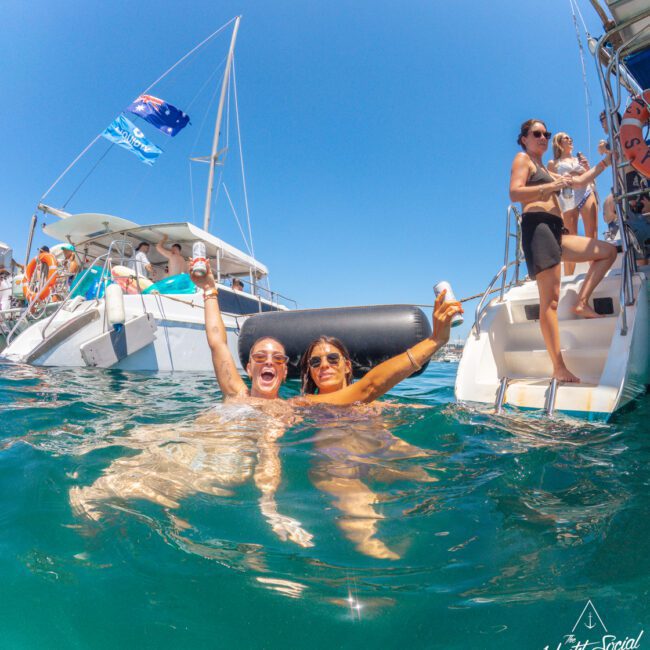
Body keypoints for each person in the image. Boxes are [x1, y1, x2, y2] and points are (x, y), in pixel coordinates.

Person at [190, 263, 462, 405]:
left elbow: (368, 387)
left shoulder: (295, 408)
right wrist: (209, 290)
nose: (269, 362)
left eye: (277, 359)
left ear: (286, 372)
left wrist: (435, 340)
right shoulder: (235, 392)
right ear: (248, 368)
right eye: (260, 357)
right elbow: (217, 342)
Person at [509, 118, 617, 383]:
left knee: (607, 251)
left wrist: (606, 162)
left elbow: (580, 182)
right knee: (551, 302)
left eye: (546, 133)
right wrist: (550, 187)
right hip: (539, 229)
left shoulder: (545, 167)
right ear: (524, 138)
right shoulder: (523, 159)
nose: (543, 137)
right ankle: (558, 367)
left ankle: (581, 302)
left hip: (557, 232)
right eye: (537, 133)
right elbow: (514, 193)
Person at [548, 133, 599, 274]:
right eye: (566, 138)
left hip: (586, 192)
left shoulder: (579, 159)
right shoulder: (553, 163)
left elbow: (590, 178)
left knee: (592, 236)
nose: (570, 139)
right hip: (567, 198)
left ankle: (594, 272)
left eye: (571, 137)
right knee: (570, 240)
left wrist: (587, 167)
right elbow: (551, 185)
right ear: (558, 143)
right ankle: (568, 278)